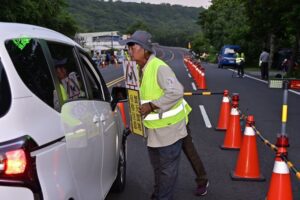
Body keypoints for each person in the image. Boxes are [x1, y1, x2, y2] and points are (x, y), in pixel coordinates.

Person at [121, 30, 208, 199]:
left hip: (173, 125)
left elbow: (176, 91)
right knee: (161, 166)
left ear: (144, 49)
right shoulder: (138, 69)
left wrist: (152, 106)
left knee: (168, 168)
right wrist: (136, 122)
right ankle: (160, 193)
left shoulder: (158, 67)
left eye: (133, 47)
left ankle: (197, 182)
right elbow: (141, 97)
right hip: (158, 127)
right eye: (128, 48)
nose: (129, 51)